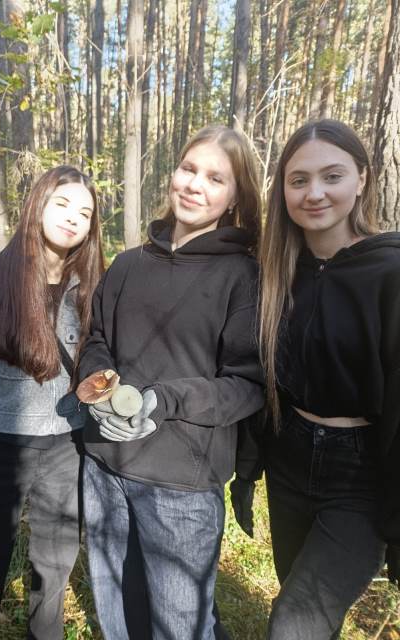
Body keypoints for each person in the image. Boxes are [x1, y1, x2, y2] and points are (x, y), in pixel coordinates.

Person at [78, 124, 265, 640]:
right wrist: (99, 384)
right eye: (188, 169)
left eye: (215, 178)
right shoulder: (128, 265)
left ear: (235, 197)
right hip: (104, 467)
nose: (194, 185)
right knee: (118, 615)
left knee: (179, 627)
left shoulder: (244, 277)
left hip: (181, 485)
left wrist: (161, 400)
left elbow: (247, 384)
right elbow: (97, 338)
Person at [0, 165, 104, 640]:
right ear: (37, 205)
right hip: (0, 449)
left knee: (54, 570)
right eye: (62, 204)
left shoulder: (95, 291)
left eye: (85, 213)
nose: (73, 218)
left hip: (69, 448)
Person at [258, 119, 400, 639]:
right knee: (303, 606)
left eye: (332, 176)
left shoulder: (390, 270)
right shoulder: (277, 269)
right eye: (299, 180)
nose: (314, 193)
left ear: (362, 178)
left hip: (362, 475)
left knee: (293, 624)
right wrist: (250, 466)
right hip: (289, 461)